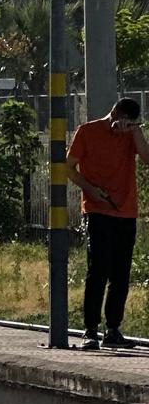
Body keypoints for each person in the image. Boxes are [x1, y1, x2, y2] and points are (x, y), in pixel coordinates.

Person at [66, 97, 149, 350]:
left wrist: (135, 132)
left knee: (121, 274)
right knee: (98, 269)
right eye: (119, 119)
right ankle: (90, 329)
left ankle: (113, 328)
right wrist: (90, 190)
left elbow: (147, 158)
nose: (119, 125)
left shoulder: (131, 136)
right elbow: (69, 168)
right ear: (113, 112)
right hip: (97, 209)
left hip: (125, 211)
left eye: (127, 122)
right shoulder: (88, 132)